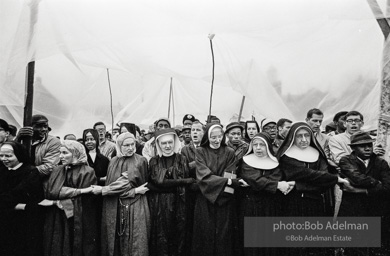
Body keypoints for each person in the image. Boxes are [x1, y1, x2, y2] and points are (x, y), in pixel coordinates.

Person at [276, 122, 349, 256]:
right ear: (292, 137)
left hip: (316, 202)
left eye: (307, 136)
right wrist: (334, 178)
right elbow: (308, 174)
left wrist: (297, 185)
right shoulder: (286, 157)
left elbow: (322, 180)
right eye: (299, 136)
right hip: (293, 203)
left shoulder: (318, 154)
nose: (304, 139)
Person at [192, 124, 247, 256]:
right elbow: (204, 177)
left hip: (225, 201)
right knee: (205, 235)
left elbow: (230, 173)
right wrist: (228, 182)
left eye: (219, 136)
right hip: (205, 200)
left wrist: (223, 193)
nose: (217, 140)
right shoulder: (200, 151)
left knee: (224, 237)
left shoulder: (229, 152)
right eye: (213, 137)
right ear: (207, 137)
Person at [94, 132, 150, 256]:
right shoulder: (113, 161)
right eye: (126, 145)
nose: (130, 148)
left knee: (134, 240)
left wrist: (103, 190)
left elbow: (126, 182)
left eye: (132, 144)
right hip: (116, 205)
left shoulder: (140, 160)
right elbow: (112, 181)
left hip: (135, 204)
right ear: (119, 146)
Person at [237, 132, 292, 256]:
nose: (258, 148)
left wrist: (259, 184)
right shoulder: (246, 161)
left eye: (261, 145)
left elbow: (273, 178)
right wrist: (276, 185)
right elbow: (253, 179)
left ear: (268, 146)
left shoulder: (275, 162)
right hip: (251, 206)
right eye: (255, 144)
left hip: (270, 207)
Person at [42, 140, 98, 256]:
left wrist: (64, 196)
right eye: (60, 153)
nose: (61, 156)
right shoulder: (57, 170)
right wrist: (76, 192)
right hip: (57, 214)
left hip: (78, 215)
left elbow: (87, 198)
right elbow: (51, 191)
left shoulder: (87, 171)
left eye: (65, 153)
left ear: (75, 153)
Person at [338, 131, 390, 255]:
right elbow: (357, 178)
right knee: (354, 247)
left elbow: (388, 187)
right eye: (363, 146)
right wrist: (377, 184)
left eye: (369, 145)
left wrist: (359, 190)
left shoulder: (381, 162)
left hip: (377, 209)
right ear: (353, 148)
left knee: (377, 247)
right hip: (353, 209)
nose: (367, 148)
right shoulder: (346, 160)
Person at [147, 128, 195, 256]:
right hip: (160, 205)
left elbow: (158, 184)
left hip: (180, 203)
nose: (167, 146)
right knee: (161, 237)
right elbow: (159, 182)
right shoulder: (154, 161)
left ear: (175, 142)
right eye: (164, 143)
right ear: (158, 144)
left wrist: (164, 184)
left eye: (170, 142)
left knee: (179, 235)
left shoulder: (182, 159)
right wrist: (184, 181)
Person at [0, 141, 45, 256]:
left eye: (9, 156)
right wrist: (17, 206)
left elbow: (17, 194)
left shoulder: (30, 172)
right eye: (1, 155)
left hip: (23, 223)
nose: (4, 159)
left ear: (19, 155)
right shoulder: (2, 171)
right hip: (5, 221)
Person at [180, 121, 204, 254]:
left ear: (203, 133)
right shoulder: (185, 149)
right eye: (193, 130)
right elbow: (184, 169)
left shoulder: (207, 148)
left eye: (198, 130)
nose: (194, 133)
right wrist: (199, 163)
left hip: (204, 189)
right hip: (191, 189)